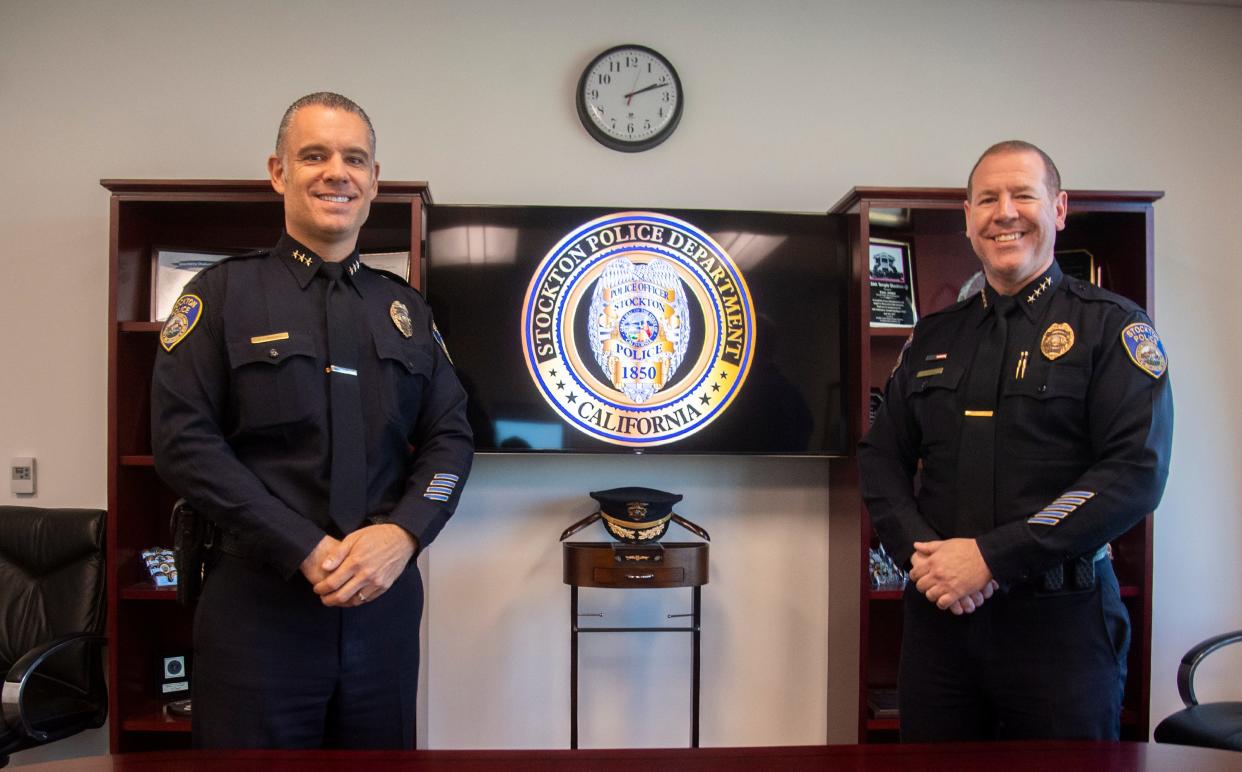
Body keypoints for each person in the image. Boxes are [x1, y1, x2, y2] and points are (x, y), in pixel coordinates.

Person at [151, 92, 473, 749]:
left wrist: (405, 534)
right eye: (314, 155)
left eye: (354, 158)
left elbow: (451, 438)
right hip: (257, 605)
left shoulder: (406, 312)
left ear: (374, 180)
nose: (337, 172)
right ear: (279, 172)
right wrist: (304, 545)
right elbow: (184, 445)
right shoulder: (219, 296)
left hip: (382, 605)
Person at [858, 140, 1172, 741]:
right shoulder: (932, 336)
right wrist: (926, 557)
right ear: (968, 218)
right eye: (988, 199)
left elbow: (1134, 472)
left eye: (1023, 195)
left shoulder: (1111, 326)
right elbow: (880, 457)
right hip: (940, 626)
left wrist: (990, 559)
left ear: (1058, 209)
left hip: (1062, 625)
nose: (1005, 212)